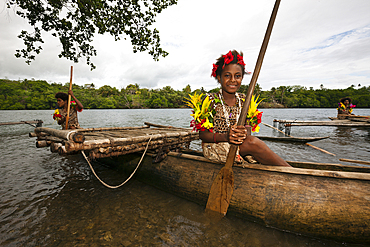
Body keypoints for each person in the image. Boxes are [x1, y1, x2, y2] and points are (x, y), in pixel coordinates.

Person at [193, 50, 290, 167]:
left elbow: (248, 133)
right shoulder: (209, 100)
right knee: (253, 143)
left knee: (252, 142)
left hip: (240, 145)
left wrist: (242, 133)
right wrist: (226, 136)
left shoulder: (244, 100)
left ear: (242, 78)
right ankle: (293, 172)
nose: (233, 80)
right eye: (227, 75)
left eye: (237, 76)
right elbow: (203, 135)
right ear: (219, 78)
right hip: (215, 147)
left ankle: (288, 171)